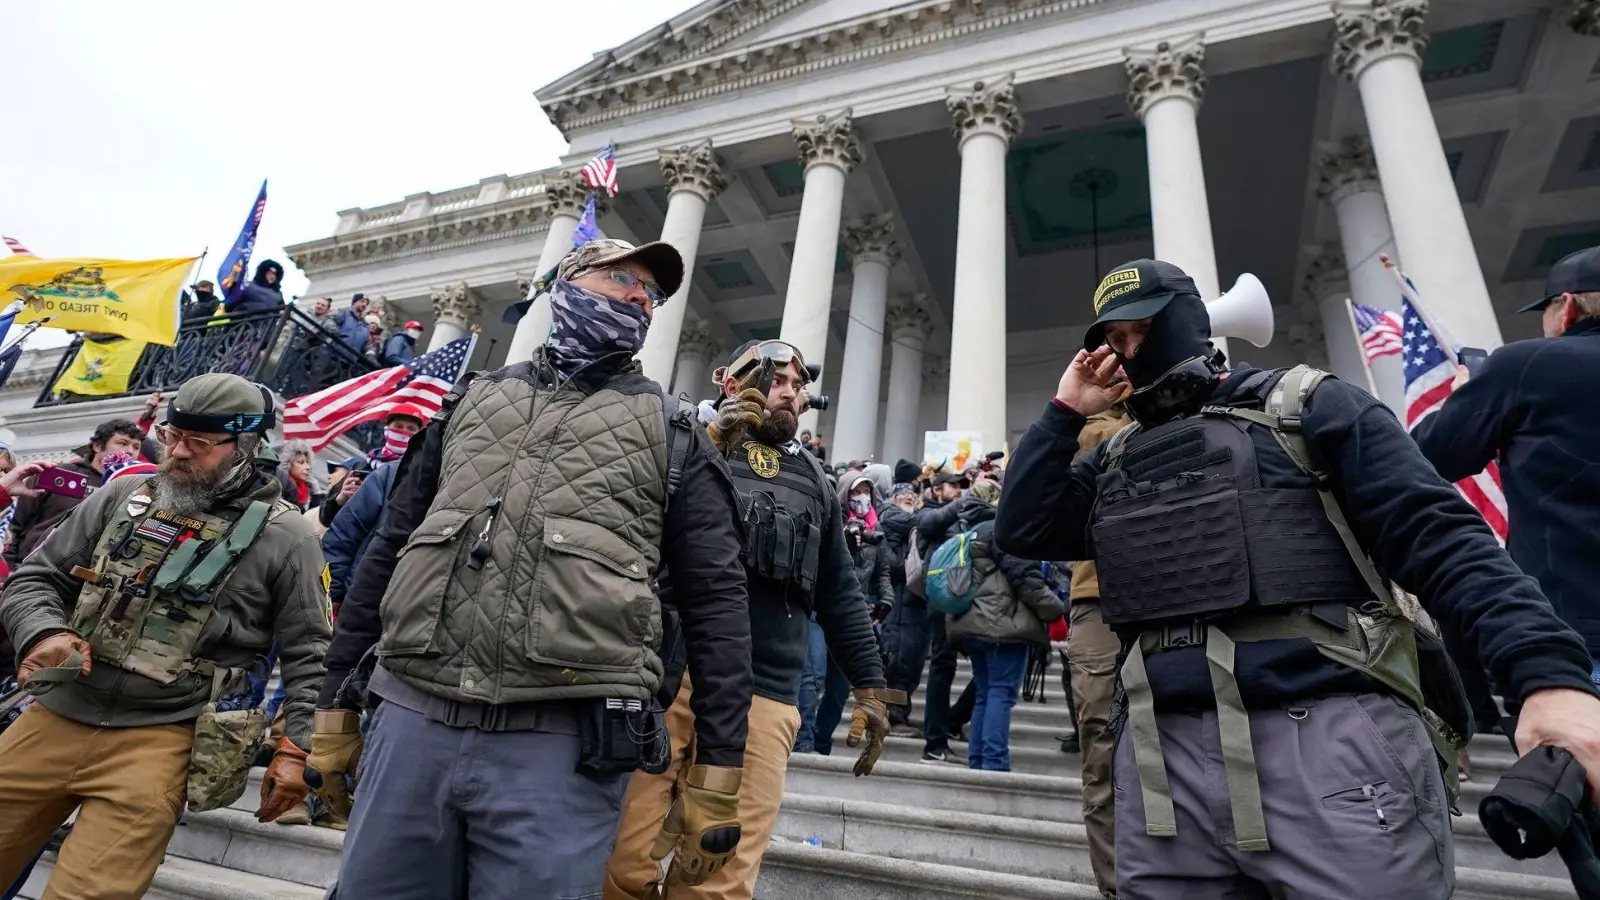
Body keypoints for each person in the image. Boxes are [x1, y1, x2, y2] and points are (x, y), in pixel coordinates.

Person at [995, 257, 1600, 898]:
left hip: (1328, 738)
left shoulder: (1311, 405)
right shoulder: (1116, 457)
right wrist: (1066, 411)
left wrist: (1545, 675)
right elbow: (1024, 529)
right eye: (1114, 341)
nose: (1128, 352)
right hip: (1160, 759)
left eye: (1141, 331)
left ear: (1188, 322)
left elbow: (1440, 536)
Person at [306, 238, 754, 900]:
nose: (640, 297)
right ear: (567, 284)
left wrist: (717, 772)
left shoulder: (676, 435)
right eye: (620, 278)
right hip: (412, 721)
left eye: (651, 293)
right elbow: (389, 549)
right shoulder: (466, 406)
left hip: (563, 746)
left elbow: (717, 606)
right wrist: (333, 709)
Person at [0, 373, 331, 897]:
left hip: (163, 738)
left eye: (198, 444)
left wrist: (297, 749)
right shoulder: (123, 494)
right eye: (171, 434)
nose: (176, 451)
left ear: (243, 446)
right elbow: (36, 578)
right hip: (55, 713)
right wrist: (43, 632)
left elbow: (313, 653)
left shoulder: (288, 538)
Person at [605, 339, 897, 900]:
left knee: (719, 873)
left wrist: (871, 687)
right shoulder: (681, 443)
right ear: (731, 383)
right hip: (668, 679)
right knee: (625, 855)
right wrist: (708, 444)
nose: (790, 392)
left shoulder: (815, 479)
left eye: (798, 384)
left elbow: (840, 592)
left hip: (767, 693)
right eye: (776, 379)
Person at [1412, 245, 1600, 682]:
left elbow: (1426, 458)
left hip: (1580, 634)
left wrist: (1460, 397)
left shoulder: (1528, 365)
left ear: (1567, 308)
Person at [946, 480, 1064, 772]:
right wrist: (1056, 612)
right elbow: (1026, 579)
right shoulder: (1004, 530)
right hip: (1002, 626)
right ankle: (995, 764)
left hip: (972, 625)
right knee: (1000, 692)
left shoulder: (967, 532)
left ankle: (979, 761)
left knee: (986, 694)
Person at [1063, 402, 1131, 899]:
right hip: (1102, 598)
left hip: (1183, 592)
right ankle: (1116, 888)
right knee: (1103, 754)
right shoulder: (1095, 429)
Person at [795, 475, 895, 755]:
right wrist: (847, 540)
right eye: (856, 491)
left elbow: (883, 573)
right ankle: (803, 738)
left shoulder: (876, 531)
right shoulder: (830, 520)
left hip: (856, 612)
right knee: (813, 675)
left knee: (840, 688)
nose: (862, 497)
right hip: (819, 610)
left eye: (867, 491)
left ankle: (822, 739)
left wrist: (886, 600)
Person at [3, 419, 144, 568]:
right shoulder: (58, 473)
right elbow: (14, 524)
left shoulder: (131, 491)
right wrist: (8, 569)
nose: (130, 451)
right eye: (123, 443)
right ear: (97, 446)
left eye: (136, 447)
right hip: (30, 566)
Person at [276, 439, 317, 512]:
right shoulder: (278, 485)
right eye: (301, 462)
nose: (308, 467)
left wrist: (316, 495)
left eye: (307, 462)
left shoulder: (305, 491)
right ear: (288, 464)